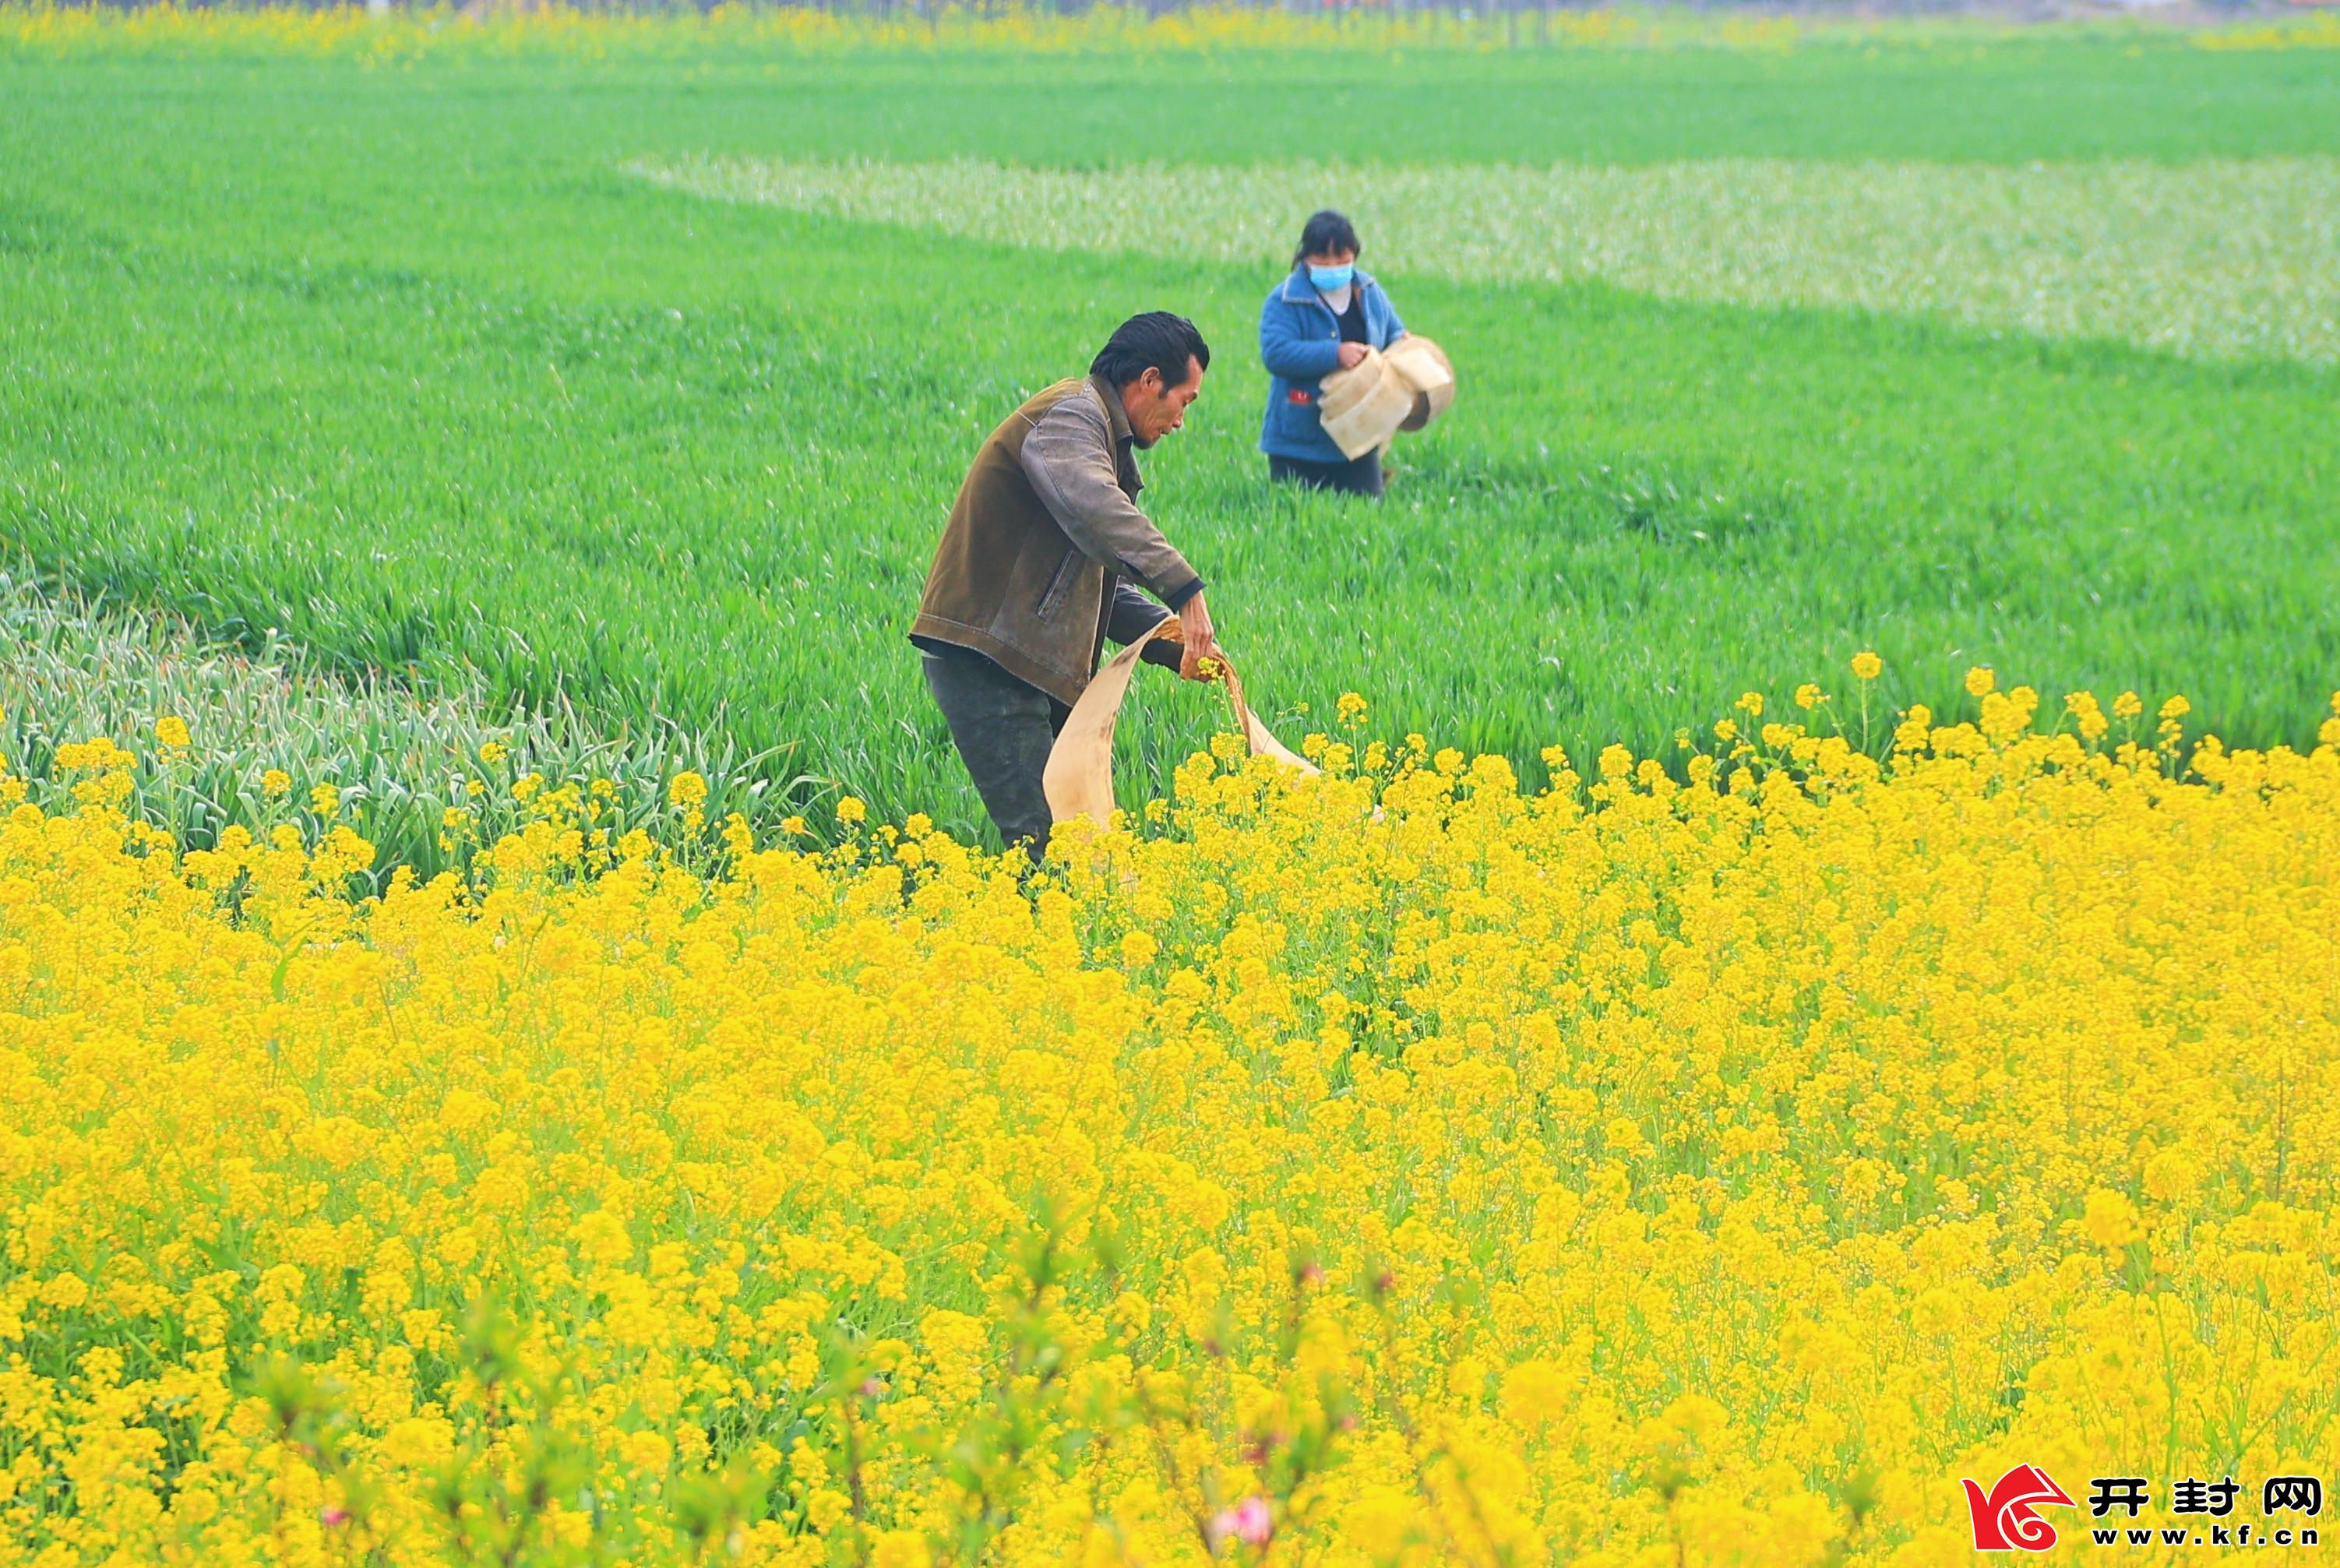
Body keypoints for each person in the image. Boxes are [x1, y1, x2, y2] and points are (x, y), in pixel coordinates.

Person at [910, 312, 1221, 858]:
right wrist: (1185, 592)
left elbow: (1095, 584)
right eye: (1185, 400)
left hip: (1024, 656)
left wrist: (1175, 645)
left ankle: (1064, 937)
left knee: (1073, 843)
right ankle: (1035, 941)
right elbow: (1099, 509)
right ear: (1150, 381)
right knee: (1046, 845)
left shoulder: (1100, 435)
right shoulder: (1071, 418)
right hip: (989, 658)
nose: (1181, 420)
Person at [1258, 210, 1408, 498]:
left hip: (1358, 434)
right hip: (1298, 440)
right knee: (1296, 517)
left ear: (1354, 255)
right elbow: (1276, 353)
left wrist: (1402, 343)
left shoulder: (1370, 292)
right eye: (1323, 259)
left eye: (1341, 259)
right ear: (1305, 257)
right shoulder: (1285, 299)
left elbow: (1393, 333)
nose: (1333, 266)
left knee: (1364, 514)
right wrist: (1335, 354)